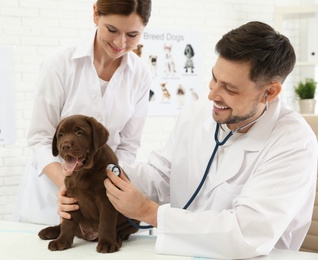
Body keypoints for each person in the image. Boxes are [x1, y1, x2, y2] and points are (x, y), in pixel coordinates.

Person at [60, 21, 318, 259]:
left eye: (229, 88)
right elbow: (160, 175)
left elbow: (247, 234)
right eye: (214, 78)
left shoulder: (294, 143)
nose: (212, 95)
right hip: (183, 251)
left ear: (269, 92)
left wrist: (149, 212)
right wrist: (94, 182)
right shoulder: (196, 114)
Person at [15, 0, 152, 225]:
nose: (121, 42)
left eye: (133, 34)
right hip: (52, 194)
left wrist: (109, 188)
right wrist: (67, 186)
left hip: (98, 198)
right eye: (112, 30)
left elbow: (128, 146)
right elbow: (40, 137)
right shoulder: (60, 64)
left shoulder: (140, 74)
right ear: (96, 14)